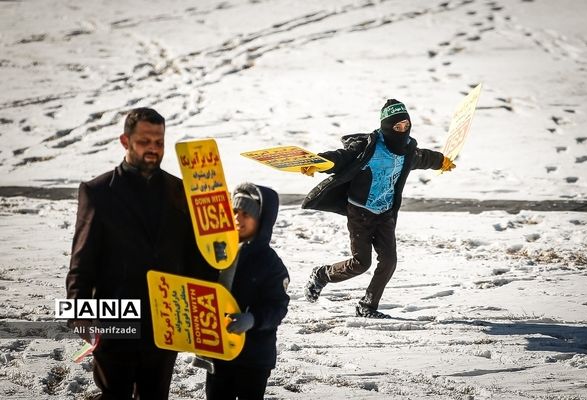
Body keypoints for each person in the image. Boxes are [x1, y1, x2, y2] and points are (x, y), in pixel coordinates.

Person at [66, 107, 216, 399]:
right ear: (125, 141)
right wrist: (78, 313)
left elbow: (194, 257)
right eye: (145, 141)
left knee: (155, 395)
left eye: (159, 142)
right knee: (115, 393)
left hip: (167, 318)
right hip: (115, 315)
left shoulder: (180, 190)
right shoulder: (97, 192)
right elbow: (81, 261)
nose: (153, 149)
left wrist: (207, 307)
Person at [302, 99, 456, 319]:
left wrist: (441, 161)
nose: (402, 131)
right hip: (360, 213)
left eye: (405, 126)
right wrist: (319, 162)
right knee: (360, 263)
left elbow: (423, 157)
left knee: (389, 261)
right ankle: (322, 275)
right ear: (386, 127)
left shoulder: (407, 150)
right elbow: (341, 157)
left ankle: (367, 306)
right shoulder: (369, 147)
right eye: (396, 127)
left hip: (385, 214)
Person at [203, 182, 290, 400]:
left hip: (254, 357)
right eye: (234, 211)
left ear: (261, 221)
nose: (238, 218)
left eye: (246, 214)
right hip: (219, 352)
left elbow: (277, 306)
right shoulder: (217, 253)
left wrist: (253, 319)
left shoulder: (270, 264)